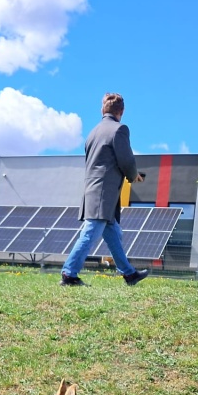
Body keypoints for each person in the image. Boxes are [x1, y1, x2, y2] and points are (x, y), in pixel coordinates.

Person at [61, 93, 148, 287]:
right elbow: (126, 160)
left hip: (93, 190)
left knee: (113, 233)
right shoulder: (120, 129)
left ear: (102, 110)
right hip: (104, 194)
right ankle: (69, 274)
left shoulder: (93, 132)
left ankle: (129, 274)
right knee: (90, 233)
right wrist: (133, 175)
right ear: (121, 112)